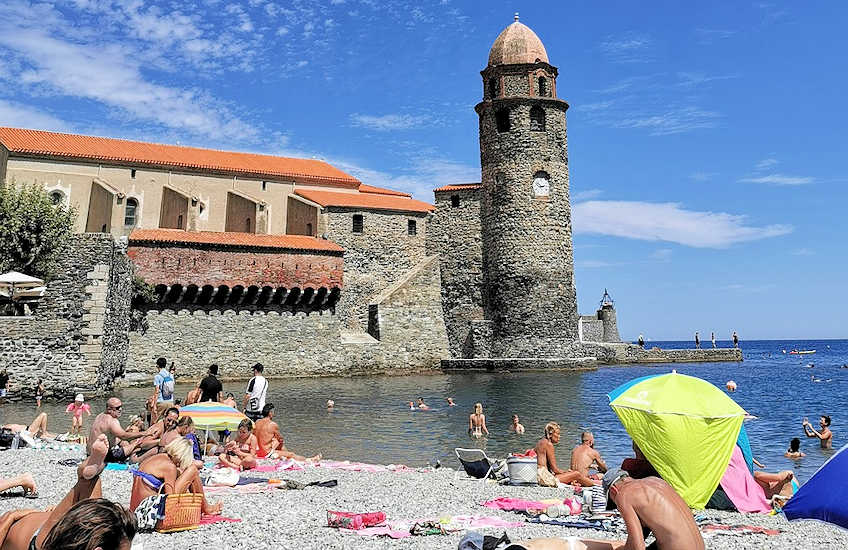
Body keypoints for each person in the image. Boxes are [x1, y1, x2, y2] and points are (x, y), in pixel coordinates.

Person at [0, 434, 138, 550]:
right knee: (88, 494)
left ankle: (91, 474)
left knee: (90, 493)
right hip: (42, 539)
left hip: (44, 527)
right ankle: (89, 475)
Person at [604, 469, 705, 550]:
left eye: (614, 503)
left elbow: (637, 547)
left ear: (613, 490)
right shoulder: (657, 481)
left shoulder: (623, 494)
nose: (617, 507)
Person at [129, 437, 221, 516]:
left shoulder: (158, 458)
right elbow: (171, 500)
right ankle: (206, 508)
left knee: (187, 472)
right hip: (149, 512)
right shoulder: (170, 467)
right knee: (193, 470)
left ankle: (205, 507)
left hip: (135, 511)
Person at [87, 398, 153, 463]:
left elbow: (120, 437)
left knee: (123, 442)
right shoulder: (112, 421)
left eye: (121, 406)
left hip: (89, 453)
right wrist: (144, 433)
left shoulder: (100, 415)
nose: (120, 409)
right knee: (137, 444)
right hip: (101, 457)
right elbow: (124, 436)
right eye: (117, 408)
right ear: (109, 409)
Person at [535, 422, 599, 487]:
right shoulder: (549, 444)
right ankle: (595, 485)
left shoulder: (540, 442)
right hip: (545, 478)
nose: (559, 436)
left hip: (539, 475)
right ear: (551, 434)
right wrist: (567, 472)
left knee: (571, 475)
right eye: (558, 434)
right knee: (576, 474)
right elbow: (555, 469)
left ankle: (586, 482)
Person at [253, 404, 320, 461]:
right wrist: (275, 444)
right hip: (266, 453)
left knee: (277, 443)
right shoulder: (273, 424)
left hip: (258, 452)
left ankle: (284, 456)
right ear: (270, 413)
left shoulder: (257, 422)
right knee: (291, 453)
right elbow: (281, 439)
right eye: (273, 412)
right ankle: (308, 460)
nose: (273, 414)